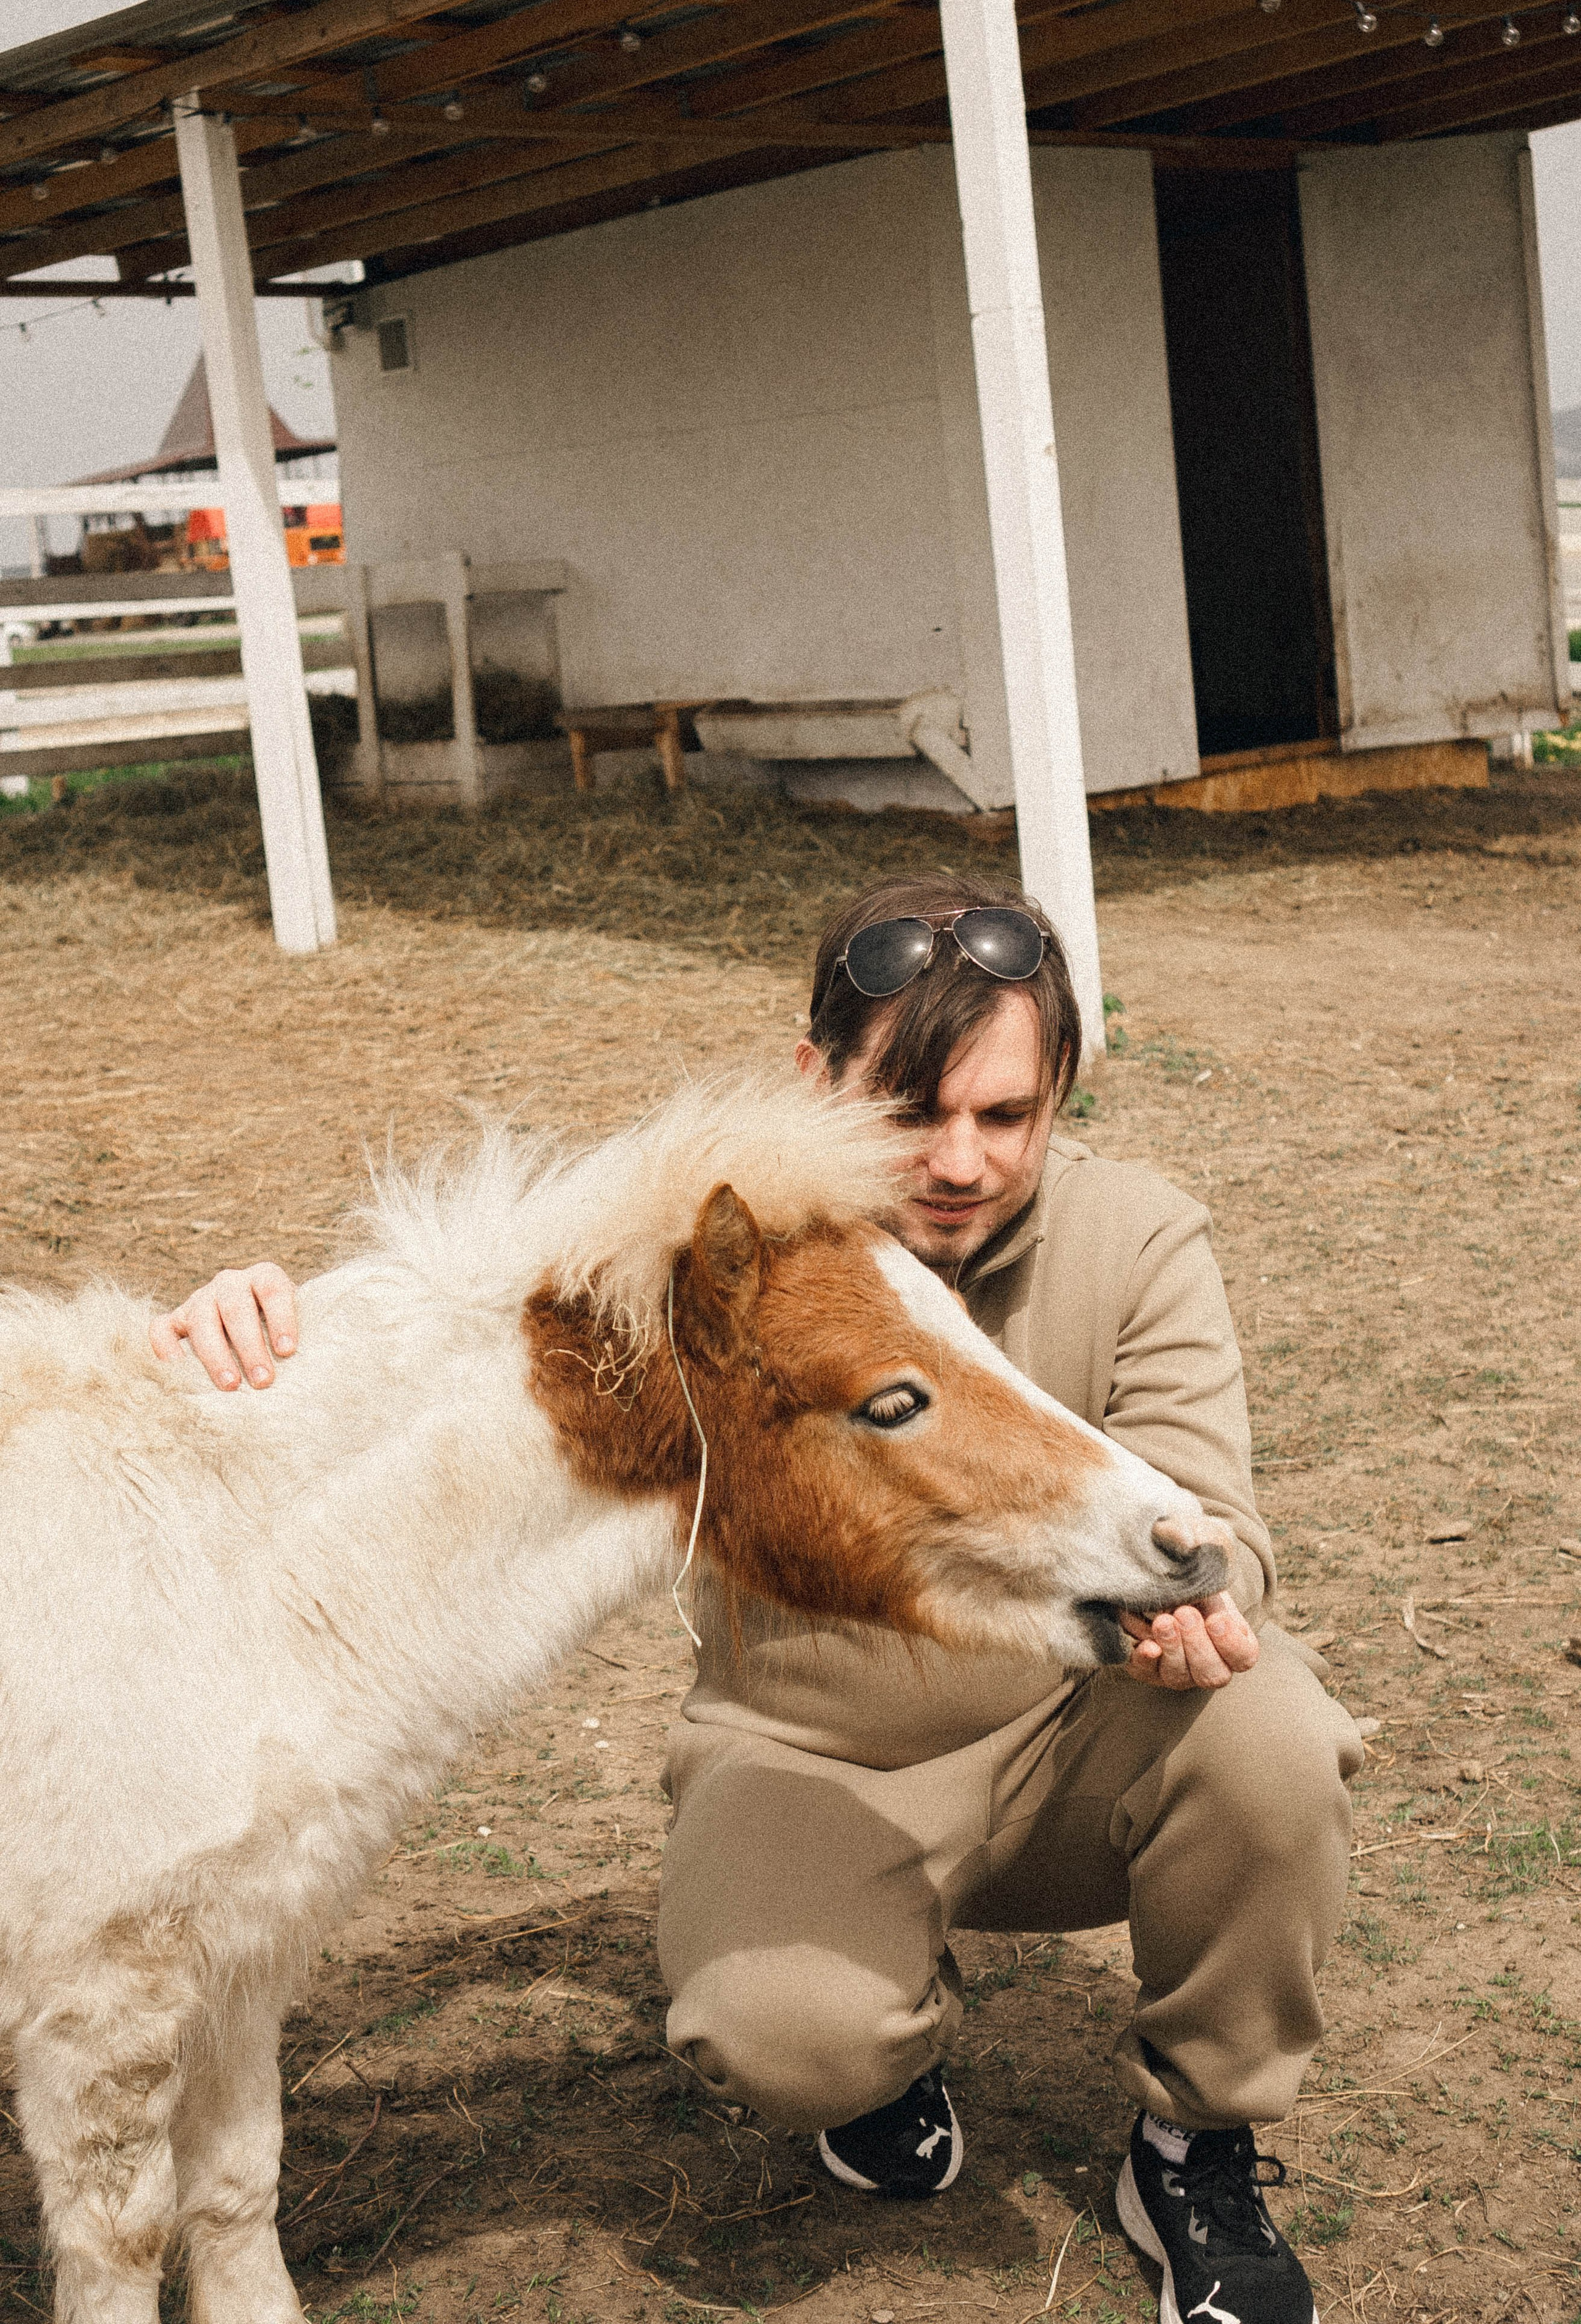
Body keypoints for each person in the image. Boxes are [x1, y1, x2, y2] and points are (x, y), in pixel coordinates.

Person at [153, 874, 1360, 2324]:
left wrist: (1195, 1619)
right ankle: (881, 2048)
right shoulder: (714, 1252)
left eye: (1007, 1115)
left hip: (1065, 1736)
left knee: (1271, 1730)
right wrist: (259, 1321)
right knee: (776, 2037)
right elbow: (470, 1318)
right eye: (912, 1113)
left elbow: (1209, 1514)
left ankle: (1196, 2141)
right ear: (816, 1082)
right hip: (808, 1753)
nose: (962, 1162)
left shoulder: (1136, 1237)